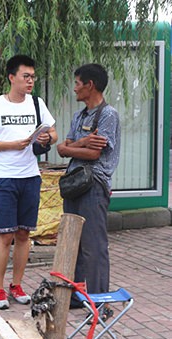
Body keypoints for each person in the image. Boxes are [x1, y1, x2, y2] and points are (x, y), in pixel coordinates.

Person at [0, 54, 58, 310]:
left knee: (24, 235)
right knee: (5, 236)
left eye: (33, 77)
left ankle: (17, 285)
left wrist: (47, 139)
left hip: (30, 176)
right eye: (26, 76)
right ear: (12, 78)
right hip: (3, 177)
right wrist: (12, 145)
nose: (30, 81)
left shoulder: (37, 104)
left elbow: (53, 132)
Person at [56, 64, 120, 314]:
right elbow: (66, 146)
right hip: (74, 184)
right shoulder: (79, 116)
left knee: (94, 245)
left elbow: (93, 153)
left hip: (94, 185)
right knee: (73, 240)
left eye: (77, 83)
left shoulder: (108, 115)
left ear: (89, 85)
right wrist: (78, 143)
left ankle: (99, 302)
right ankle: (76, 295)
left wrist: (70, 147)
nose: (74, 88)